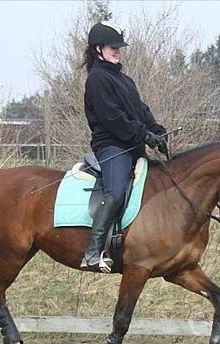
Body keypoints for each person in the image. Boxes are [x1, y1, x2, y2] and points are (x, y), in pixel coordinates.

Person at [80, 21, 168, 272]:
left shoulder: (124, 80)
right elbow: (112, 118)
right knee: (116, 192)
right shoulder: (97, 79)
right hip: (112, 146)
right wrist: (144, 135)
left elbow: (141, 111)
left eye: (119, 47)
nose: (118, 51)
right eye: (113, 47)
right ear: (98, 49)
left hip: (132, 144)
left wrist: (157, 132)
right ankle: (93, 251)